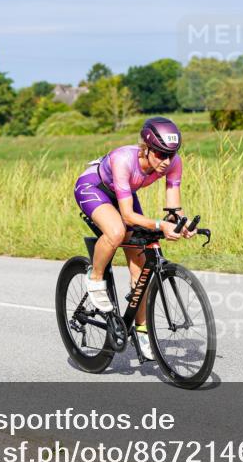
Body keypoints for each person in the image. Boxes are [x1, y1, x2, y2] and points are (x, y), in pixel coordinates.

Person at [73, 117, 195, 359]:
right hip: (94, 189)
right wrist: (159, 225)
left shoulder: (173, 162)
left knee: (142, 263)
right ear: (146, 148)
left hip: (124, 192)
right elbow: (128, 216)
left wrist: (182, 223)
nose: (166, 161)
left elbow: (173, 209)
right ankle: (95, 278)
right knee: (117, 231)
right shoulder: (123, 159)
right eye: (160, 154)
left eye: (171, 154)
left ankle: (141, 329)